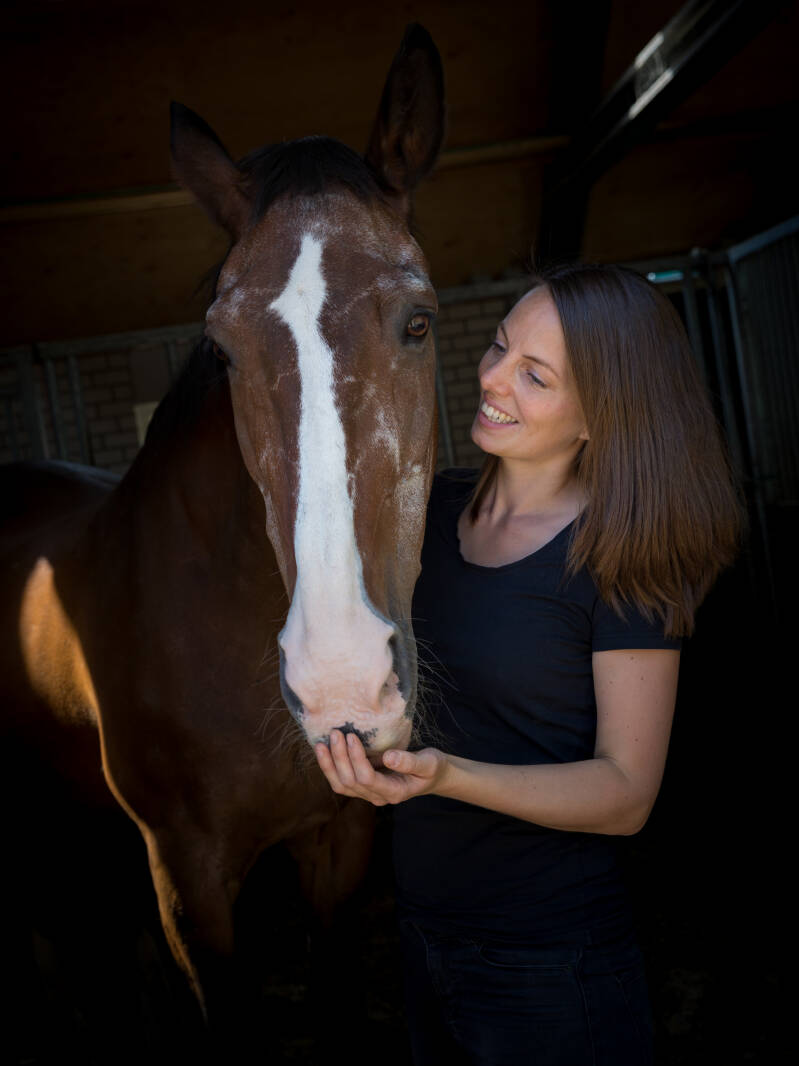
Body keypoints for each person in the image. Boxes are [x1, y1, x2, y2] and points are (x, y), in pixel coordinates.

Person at [314, 262, 743, 1066]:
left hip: (552, 966)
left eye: (534, 375)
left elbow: (625, 794)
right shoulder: (425, 515)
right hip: (423, 938)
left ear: (599, 418)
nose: (492, 378)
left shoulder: (621, 563)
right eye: (499, 346)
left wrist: (444, 776)